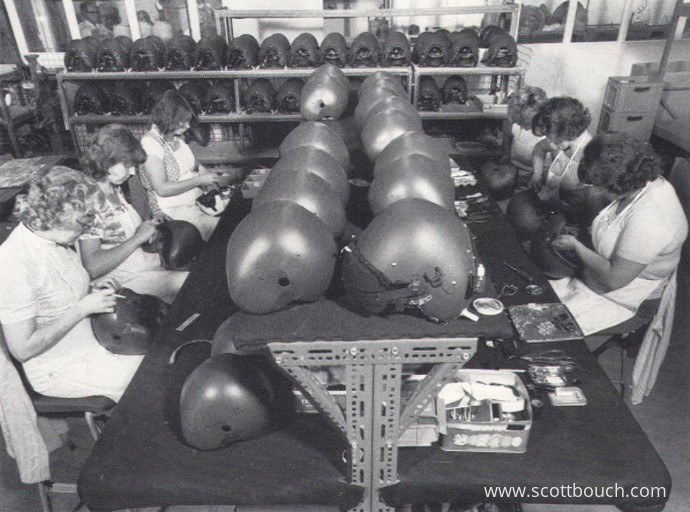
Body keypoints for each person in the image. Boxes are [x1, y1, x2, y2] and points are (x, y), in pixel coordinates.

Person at [0, 167, 143, 402]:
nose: (88, 228)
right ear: (57, 215)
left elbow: (55, 292)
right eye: (84, 220)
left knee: (159, 356)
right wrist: (83, 308)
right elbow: (22, 349)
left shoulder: (54, 239)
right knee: (150, 378)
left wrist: (91, 285)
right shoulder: (13, 262)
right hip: (59, 367)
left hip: (91, 344)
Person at [550, 132, 688, 336]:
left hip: (626, 298)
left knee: (547, 325)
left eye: (600, 186)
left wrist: (576, 246)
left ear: (618, 182)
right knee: (540, 298)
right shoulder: (640, 182)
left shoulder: (652, 218)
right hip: (600, 278)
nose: (596, 190)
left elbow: (613, 279)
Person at [78, 124, 189, 304]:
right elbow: (92, 266)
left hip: (146, 267)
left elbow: (122, 236)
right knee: (193, 285)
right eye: (128, 166)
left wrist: (150, 228)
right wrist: (138, 238)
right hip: (125, 283)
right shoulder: (90, 202)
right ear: (107, 161)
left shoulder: (115, 189)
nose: (131, 173)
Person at [139, 91, 226, 241]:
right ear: (168, 119)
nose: (187, 126)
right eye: (182, 121)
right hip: (172, 209)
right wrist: (198, 181)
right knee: (220, 233)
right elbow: (162, 189)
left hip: (195, 201)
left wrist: (202, 171)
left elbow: (192, 164)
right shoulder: (151, 144)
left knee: (232, 218)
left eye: (188, 121)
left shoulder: (176, 137)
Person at [530, 96, 592, 214]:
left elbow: (592, 205)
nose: (551, 143)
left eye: (554, 140)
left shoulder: (589, 153)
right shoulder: (562, 140)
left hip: (573, 215)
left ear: (569, 132)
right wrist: (537, 174)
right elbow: (540, 148)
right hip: (554, 206)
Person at [502, 85, 551, 186]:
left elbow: (551, 173)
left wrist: (534, 177)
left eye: (529, 121)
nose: (525, 125)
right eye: (521, 119)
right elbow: (507, 139)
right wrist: (506, 158)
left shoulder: (548, 134)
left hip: (536, 181)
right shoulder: (515, 125)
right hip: (513, 174)